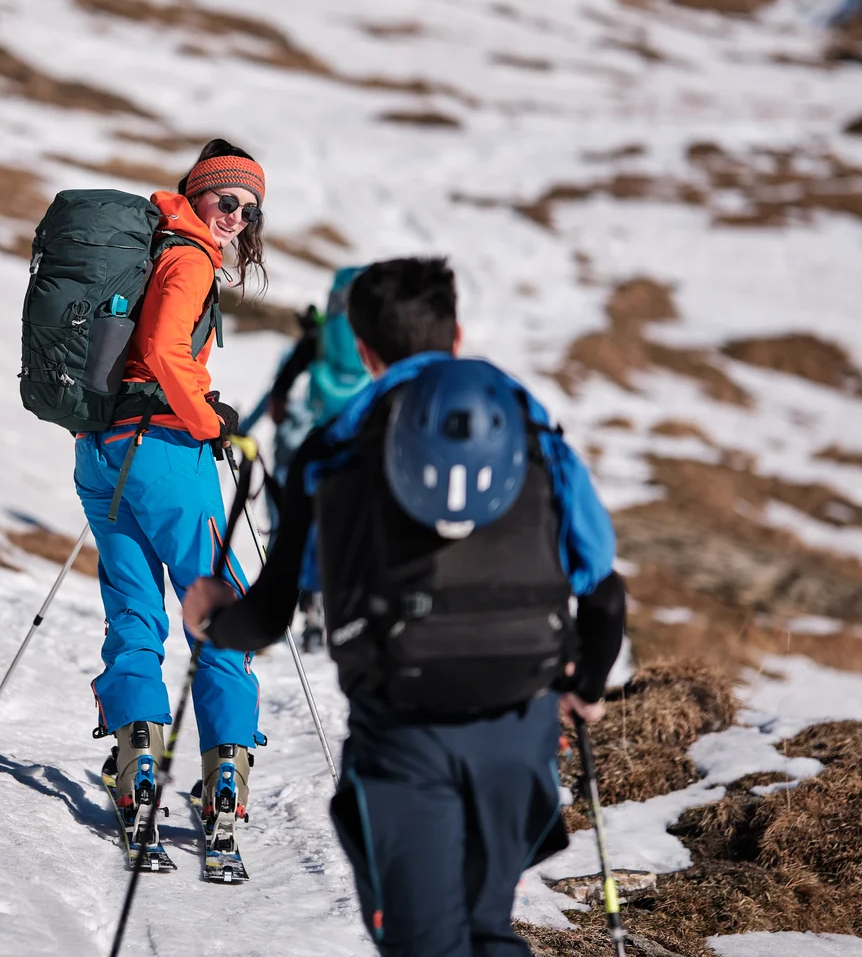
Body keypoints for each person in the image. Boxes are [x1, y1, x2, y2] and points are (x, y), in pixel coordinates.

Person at [183, 257, 627, 954]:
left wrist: (211, 616)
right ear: (457, 335)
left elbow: (269, 615)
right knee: (486, 926)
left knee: (425, 941)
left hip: (403, 729)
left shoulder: (333, 451)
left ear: (364, 351)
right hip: (520, 724)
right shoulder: (531, 432)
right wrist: (587, 686)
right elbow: (603, 591)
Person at [73, 138, 268, 872]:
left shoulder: (153, 252)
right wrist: (209, 421)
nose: (236, 217)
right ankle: (224, 790)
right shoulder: (188, 258)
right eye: (227, 199)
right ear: (197, 192)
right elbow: (161, 347)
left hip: (102, 453)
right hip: (164, 457)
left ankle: (137, 778)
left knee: (134, 615)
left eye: (249, 210)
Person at [260, 265, 371, 649]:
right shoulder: (369, 337)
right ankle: (326, 608)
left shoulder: (319, 338)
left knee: (299, 523)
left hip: (317, 440)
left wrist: (279, 405)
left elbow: (283, 386)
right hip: (359, 445)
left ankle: (287, 608)